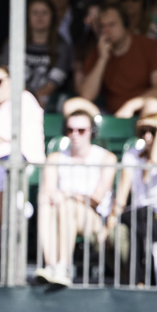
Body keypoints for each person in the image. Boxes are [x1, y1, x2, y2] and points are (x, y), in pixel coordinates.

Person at [36, 110, 118, 286]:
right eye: (70, 129)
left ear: (91, 132)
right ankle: (50, 265)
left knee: (68, 205)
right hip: (62, 209)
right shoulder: (55, 157)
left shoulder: (106, 158)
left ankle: (63, 267)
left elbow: (97, 198)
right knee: (45, 204)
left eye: (81, 130)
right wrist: (57, 196)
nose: (75, 135)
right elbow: (48, 191)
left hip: (93, 217)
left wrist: (69, 195)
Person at [109, 112, 157, 285]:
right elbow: (123, 189)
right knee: (116, 234)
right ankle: (142, 277)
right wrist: (112, 217)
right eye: (143, 131)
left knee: (144, 221)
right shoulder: (132, 155)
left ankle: (141, 280)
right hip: (138, 218)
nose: (147, 136)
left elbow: (156, 161)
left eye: (153, 131)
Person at [78, 3, 157, 113]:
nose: (107, 30)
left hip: (145, 111)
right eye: (102, 26)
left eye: (112, 25)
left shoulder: (151, 46)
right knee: (74, 104)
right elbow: (86, 96)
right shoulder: (97, 53)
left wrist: (132, 105)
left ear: (125, 24)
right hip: (111, 114)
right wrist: (102, 59)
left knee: (154, 106)